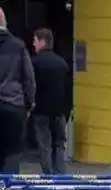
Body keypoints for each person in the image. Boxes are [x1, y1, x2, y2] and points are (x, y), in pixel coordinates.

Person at [0, 8, 35, 173]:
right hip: (14, 108)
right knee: (12, 156)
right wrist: (28, 104)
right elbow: (28, 79)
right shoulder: (19, 46)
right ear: (4, 23)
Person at [32, 28, 69, 174]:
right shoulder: (62, 64)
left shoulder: (35, 63)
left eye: (34, 41)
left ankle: (48, 176)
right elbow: (68, 89)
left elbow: (32, 86)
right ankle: (61, 177)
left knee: (44, 146)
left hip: (41, 111)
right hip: (59, 112)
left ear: (42, 41)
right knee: (59, 145)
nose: (33, 44)